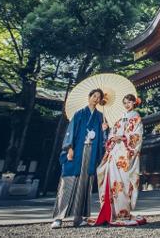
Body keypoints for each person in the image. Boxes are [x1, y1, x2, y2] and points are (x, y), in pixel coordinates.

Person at [51, 88, 108, 228]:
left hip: (91, 152)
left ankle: (78, 218)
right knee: (67, 183)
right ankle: (59, 218)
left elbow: (104, 140)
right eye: (94, 96)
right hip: (77, 151)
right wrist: (69, 148)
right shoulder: (79, 114)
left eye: (98, 97)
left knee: (85, 183)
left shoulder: (100, 116)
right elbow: (70, 132)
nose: (96, 98)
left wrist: (105, 129)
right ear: (89, 97)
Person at [93, 93, 146, 226]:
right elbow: (112, 132)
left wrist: (123, 138)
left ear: (134, 103)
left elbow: (136, 137)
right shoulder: (120, 118)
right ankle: (110, 211)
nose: (127, 105)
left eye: (129, 102)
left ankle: (122, 211)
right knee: (111, 181)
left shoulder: (136, 118)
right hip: (115, 152)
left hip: (125, 154)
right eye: (125, 102)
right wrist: (111, 135)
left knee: (123, 182)